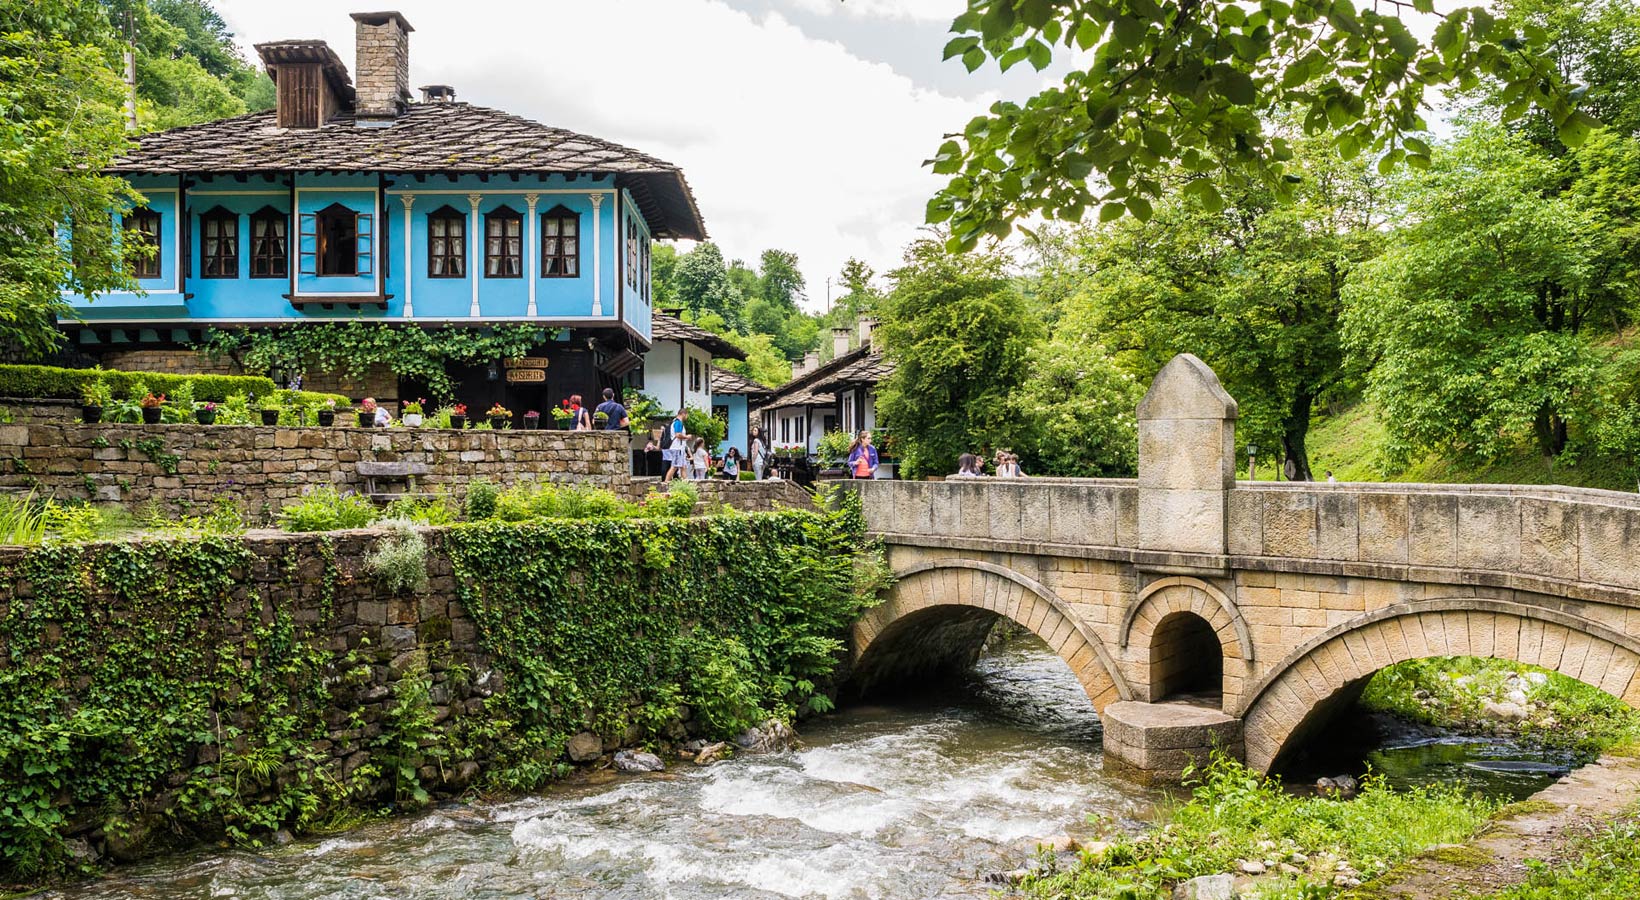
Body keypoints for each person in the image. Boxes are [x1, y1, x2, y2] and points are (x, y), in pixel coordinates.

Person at [664, 409, 690, 483]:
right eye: (687, 415)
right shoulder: (678, 423)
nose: (687, 417)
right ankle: (666, 482)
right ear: (683, 414)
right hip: (677, 448)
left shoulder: (676, 422)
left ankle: (686, 483)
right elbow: (678, 434)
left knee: (683, 466)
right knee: (674, 466)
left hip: (680, 448)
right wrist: (687, 437)